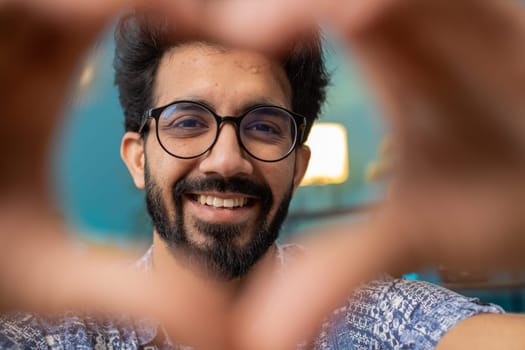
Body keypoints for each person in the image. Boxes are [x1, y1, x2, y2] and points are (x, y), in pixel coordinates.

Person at [2, 0, 525, 349]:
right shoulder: (56, 335)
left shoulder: (373, 317)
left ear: (299, 166)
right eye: (187, 121)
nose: (227, 160)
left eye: (264, 126)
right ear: (138, 158)